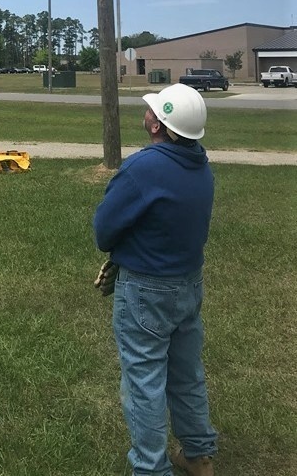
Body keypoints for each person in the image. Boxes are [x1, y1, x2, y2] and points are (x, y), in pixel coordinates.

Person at [93, 83, 218, 476]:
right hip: (188, 283)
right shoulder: (200, 163)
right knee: (186, 373)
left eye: (151, 110)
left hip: (146, 288)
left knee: (144, 379)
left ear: (157, 125)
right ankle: (199, 456)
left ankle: (150, 469)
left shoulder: (143, 166)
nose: (145, 113)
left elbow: (104, 230)